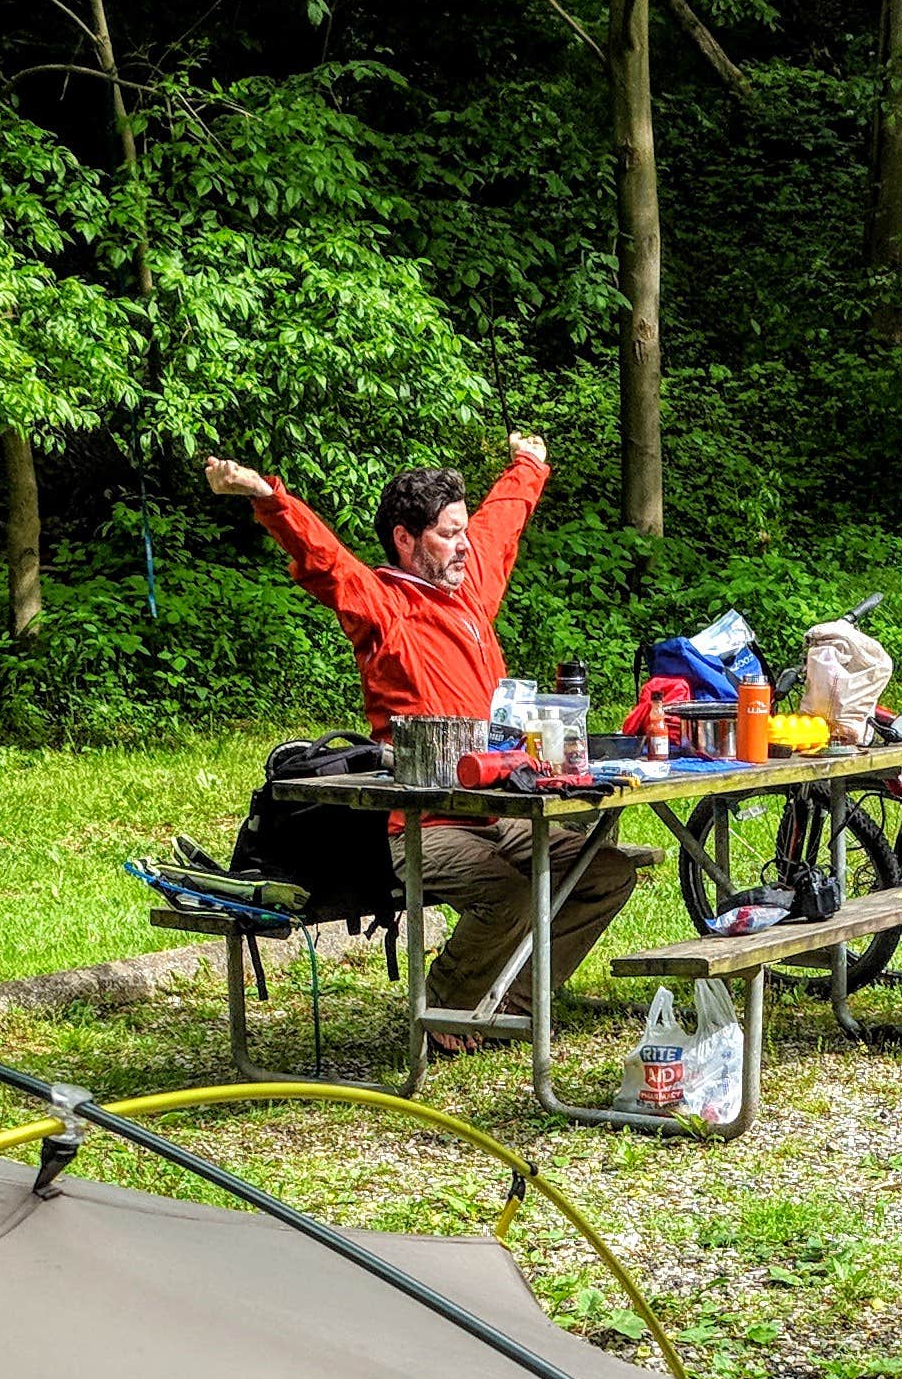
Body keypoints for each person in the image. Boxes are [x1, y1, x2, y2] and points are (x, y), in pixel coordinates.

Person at [201, 435, 653, 1033]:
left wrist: (529, 464)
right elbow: (325, 560)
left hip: (499, 812)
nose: (465, 544)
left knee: (606, 872)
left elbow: (502, 521)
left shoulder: (470, 587)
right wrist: (266, 495)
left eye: (462, 530)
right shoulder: (381, 605)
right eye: (448, 533)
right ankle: (445, 1006)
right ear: (406, 539)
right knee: (510, 896)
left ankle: (512, 1002)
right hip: (424, 826)